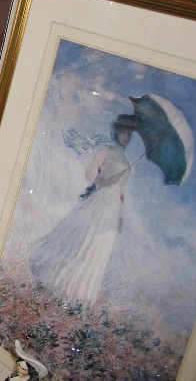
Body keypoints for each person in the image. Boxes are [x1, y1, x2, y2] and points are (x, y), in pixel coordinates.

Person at [29, 114, 136, 309]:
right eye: (123, 132)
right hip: (99, 202)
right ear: (116, 132)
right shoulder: (107, 150)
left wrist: (120, 216)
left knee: (98, 249)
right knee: (81, 242)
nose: (126, 136)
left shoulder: (127, 160)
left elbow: (122, 192)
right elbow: (90, 173)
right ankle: (54, 287)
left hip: (112, 211)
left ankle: (75, 299)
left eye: (129, 133)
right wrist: (105, 181)